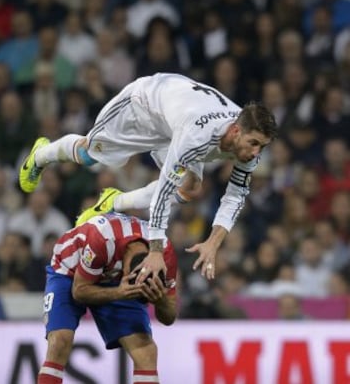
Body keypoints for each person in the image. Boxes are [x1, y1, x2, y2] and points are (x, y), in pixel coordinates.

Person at [19, 72, 277, 281]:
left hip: (174, 118)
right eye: (254, 143)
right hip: (143, 104)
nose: (256, 153)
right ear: (234, 132)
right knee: (89, 155)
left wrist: (213, 242)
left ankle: (112, 203)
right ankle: (41, 154)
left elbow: (235, 197)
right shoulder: (197, 137)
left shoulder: (246, 144)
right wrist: (156, 250)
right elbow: (165, 189)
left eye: (262, 146)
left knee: (191, 188)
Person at [38, 210, 177, 384]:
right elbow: (79, 291)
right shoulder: (103, 238)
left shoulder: (164, 252)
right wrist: (119, 292)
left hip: (112, 275)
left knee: (146, 350)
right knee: (60, 340)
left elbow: (169, 317)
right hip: (69, 271)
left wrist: (160, 300)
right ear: (125, 272)